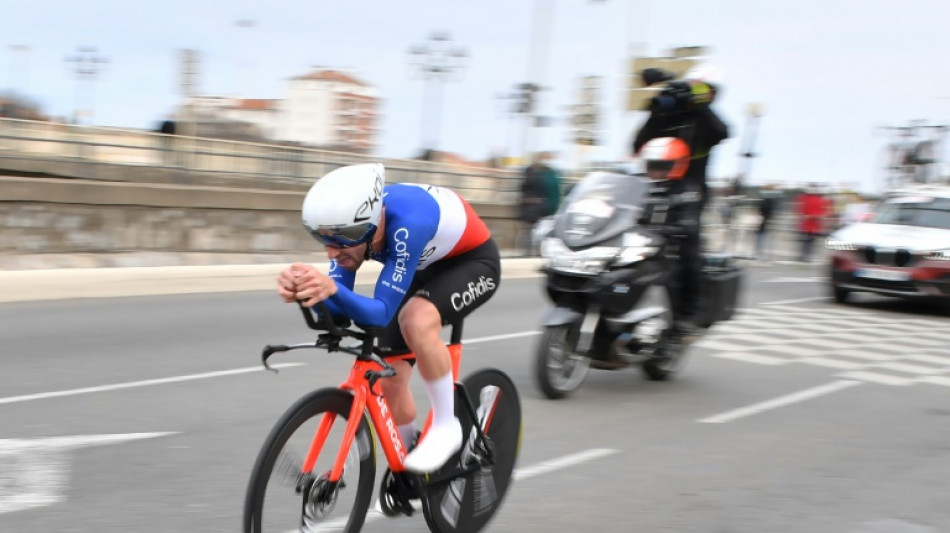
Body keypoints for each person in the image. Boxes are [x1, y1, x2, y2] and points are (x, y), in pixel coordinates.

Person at [277, 163, 501, 474]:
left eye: (339, 241)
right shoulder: (351, 235)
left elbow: (381, 313)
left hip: (471, 262)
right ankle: (411, 463)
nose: (332, 253)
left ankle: (447, 427)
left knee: (416, 321)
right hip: (420, 265)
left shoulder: (407, 225)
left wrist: (330, 289)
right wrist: (306, 291)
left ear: (369, 226)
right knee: (390, 377)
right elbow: (340, 314)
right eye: (323, 240)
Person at [638, 137, 703, 337]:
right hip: (640, 242)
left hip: (674, 244)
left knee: (690, 265)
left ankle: (686, 317)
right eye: (652, 166)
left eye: (661, 166)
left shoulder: (687, 190)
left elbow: (689, 221)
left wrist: (679, 227)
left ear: (678, 165)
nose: (655, 171)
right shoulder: (639, 184)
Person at [518, 151, 562, 255]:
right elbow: (553, 193)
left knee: (531, 231)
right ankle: (535, 252)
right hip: (541, 208)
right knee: (541, 231)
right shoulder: (549, 174)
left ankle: (529, 252)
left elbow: (523, 188)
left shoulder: (530, 171)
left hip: (531, 207)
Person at [795, 184, 829, 263]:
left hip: (806, 224)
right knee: (810, 242)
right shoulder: (821, 201)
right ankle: (807, 256)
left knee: (805, 241)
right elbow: (822, 214)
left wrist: (807, 216)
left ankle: (804, 256)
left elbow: (799, 210)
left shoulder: (803, 199)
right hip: (813, 225)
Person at [755, 184, 779, 260]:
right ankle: (762, 253)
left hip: (764, 219)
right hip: (766, 219)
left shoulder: (766, 198)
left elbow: (762, 208)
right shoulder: (770, 199)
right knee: (763, 235)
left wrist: (760, 212)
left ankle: (759, 253)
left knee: (761, 235)